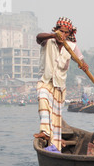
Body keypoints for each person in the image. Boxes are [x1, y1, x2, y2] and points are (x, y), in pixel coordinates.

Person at [33, 17, 89, 152]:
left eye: (65, 33)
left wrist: (83, 65)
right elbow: (38, 37)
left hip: (59, 87)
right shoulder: (48, 41)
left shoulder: (72, 46)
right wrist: (53, 35)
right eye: (60, 31)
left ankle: (54, 147)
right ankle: (45, 133)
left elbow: (80, 60)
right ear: (56, 31)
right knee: (43, 97)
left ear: (69, 34)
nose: (62, 35)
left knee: (56, 120)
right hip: (46, 81)